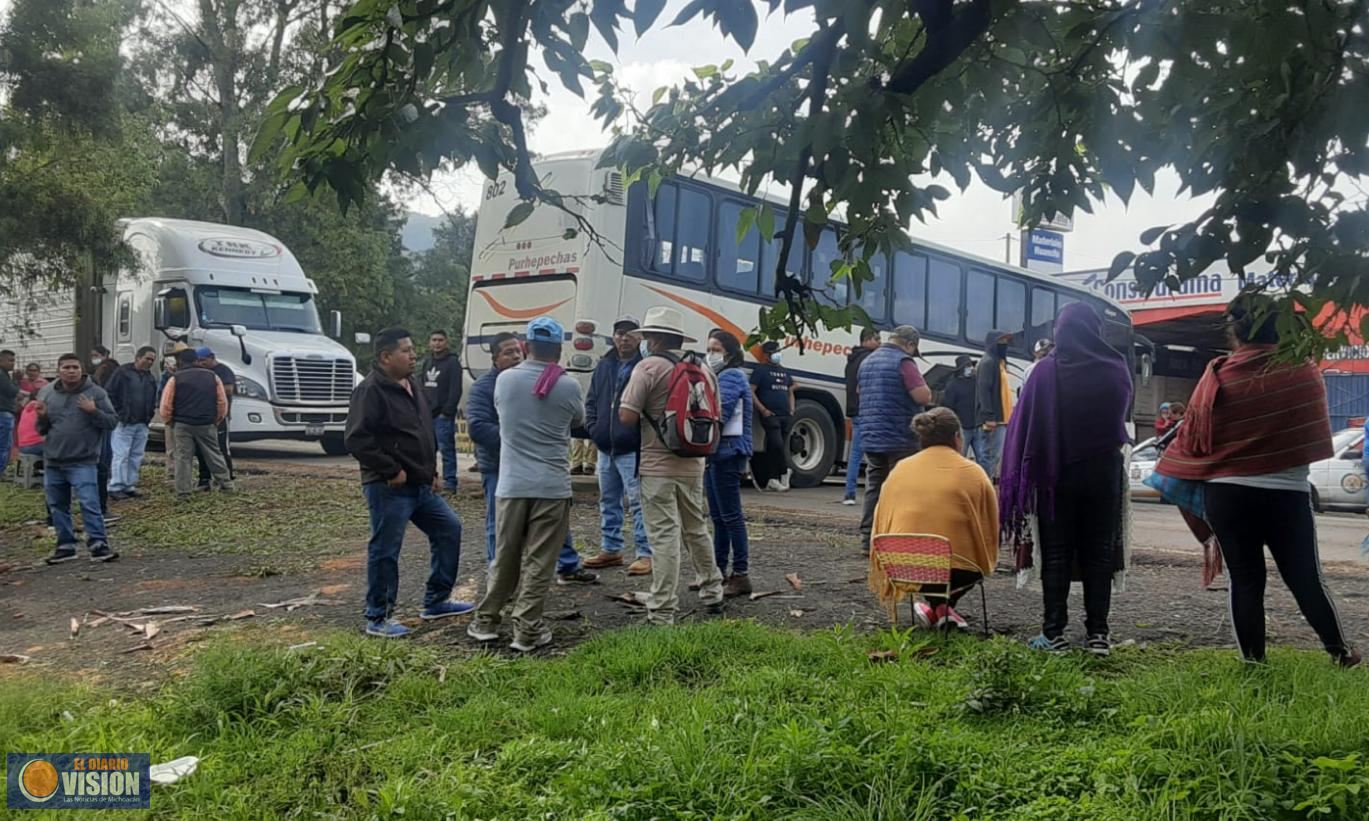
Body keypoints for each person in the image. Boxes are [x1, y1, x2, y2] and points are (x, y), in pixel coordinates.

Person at [1153, 297, 1359, 668]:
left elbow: (1196, 440)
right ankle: (1340, 652)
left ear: (1235, 330)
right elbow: (1307, 433)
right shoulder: (1302, 371)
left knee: (1245, 582)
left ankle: (1253, 664)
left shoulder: (1217, 375)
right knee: (1305, 578)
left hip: (1226, 495)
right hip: (1286, 495)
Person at [1000, 303, 1132, 656]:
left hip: (1056, 473)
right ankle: (1098, 636)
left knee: (1056, 553)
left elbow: (1025, 423)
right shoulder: (1117, 369)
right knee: (1099, 554)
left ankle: (1053, 633)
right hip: (1104, 472)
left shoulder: (1045, 372)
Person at [467, 317, 587, 652]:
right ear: (559, 349)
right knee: (539, 562)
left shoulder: (504, 381)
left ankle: (486, 621)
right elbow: (578, 421)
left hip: (511, 485)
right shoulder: (569, 385)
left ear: (525, 347)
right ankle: (527, 630)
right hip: (551, 487)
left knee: (505, 557)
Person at [344, 328, 472, 639]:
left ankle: (436, 601)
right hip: (390, 486)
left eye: (413, 349)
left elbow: (422, 431)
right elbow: (357, 438)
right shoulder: (371, 390)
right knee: (386, 548)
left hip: (420, 484)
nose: (413, 355)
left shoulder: (411, 385)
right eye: (405, 351)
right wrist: (390, 469)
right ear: (385, 357)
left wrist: (432, 471)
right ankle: (378, 616)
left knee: (449, 528)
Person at [618, 306, 725, 624]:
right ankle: (713, 592)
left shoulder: (647, 367)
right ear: (678, 338)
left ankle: (663, 608)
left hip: (657, 465)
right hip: (694, 464)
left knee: (664, 535)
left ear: (651, 338)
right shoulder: (703, 369)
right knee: (696, 529)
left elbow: (626, 416)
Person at [870, 407, 998, 629]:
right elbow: (990, 527)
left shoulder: (901, 469)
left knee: (932, 561)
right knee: (962, 561)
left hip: (904, 567)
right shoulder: (973, 472)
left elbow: (881, 518)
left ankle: (937, 609)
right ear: (957, 438)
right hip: (960, 571)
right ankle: (942, 608)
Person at [582, 315, 653, 575]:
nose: (625, 338)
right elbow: (591, 400)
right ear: (614, 337)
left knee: (637, 501)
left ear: (640, 338)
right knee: (608, 500)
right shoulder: (604, 365)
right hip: (604, 446)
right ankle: (611, 549)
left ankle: (645, 553)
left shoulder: (644, 367)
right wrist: (594, 428)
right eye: (620, 333)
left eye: (630, 333)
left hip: (631, 447)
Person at [36, 353, 119, 564]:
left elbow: (112, 422)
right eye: (66, 367)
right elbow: (41, 429)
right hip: (54, 460)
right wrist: (42, 417)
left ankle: (98, 544)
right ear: (58, 371)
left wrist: (93, 412)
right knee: (57, 506)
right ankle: (65, 546)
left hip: (83, 460)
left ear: (82, 370)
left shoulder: (96, 393)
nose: (71, 371)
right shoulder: (47, 394)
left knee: (90, 503)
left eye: (75, 367)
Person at [856, 324, 932, 551]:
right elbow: (922, 395)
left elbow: (861, 392)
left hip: (871, 435)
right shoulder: (904, 362)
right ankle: (898, 539)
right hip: (899, 436)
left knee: (874, 487)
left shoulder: (867, 361)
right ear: (910, 344)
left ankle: (867, 538)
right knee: (902, 488)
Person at [706, 330, 754, 597]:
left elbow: (719, 413)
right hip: (718, 452)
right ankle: (719, 570)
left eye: (715, 349)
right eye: (709, 349)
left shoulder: (731, 376)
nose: (710, 354)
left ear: (730, 353)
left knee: (730, 517)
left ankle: (740, 573)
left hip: (727, 451)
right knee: (720, 517)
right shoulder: (722, 376)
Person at [160, 349, 234, 499]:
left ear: (180, 361)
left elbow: (166, 403)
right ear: (196, 360)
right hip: (206, 422)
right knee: (214, 454)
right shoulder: (213, 377)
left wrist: (169, 420)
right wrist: (217, 419)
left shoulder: (175, 378)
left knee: (183, 457)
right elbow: (222, 401)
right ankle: (226, 484)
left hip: (182, 423)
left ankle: (183, 491)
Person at [104, 346, 159, 500]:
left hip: (142, 421)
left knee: (136, 455)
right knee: (121, 454)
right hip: (125, 421)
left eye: (152, 360)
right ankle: (116, 485)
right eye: (147, 358)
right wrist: (119, 413)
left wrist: (149, 415)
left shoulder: (149, 377)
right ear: (138, 357)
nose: (149, 362)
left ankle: (129, 484)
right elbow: (109, 393)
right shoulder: (122, 373)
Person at [419, 330, 462, 491]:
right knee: (428, 450)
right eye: (434, 340)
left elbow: (455, 390)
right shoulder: (427, 362)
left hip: (443, 416)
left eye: (440, 340)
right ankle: (430, 479)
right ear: (429, 342)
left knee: (447, 450)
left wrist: (447, 411)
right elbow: (422, 385)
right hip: (427, 414)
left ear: (446, 342)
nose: (437, 343)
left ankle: (450, 482)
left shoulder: (453, 363)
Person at [750, 341, 796, 491]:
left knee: (774, 447)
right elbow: (751, 391)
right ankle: (785, 470)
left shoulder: (784, 371)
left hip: (785, 415)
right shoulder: (761, 370)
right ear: (767, 355)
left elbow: (791, 389)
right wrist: (763, 410)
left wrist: (792, 409)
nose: (777, 354)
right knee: (777, 444)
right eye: (774, 352)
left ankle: (772, 479)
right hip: (770, 414)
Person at [842, 328, 880, 505]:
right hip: (867, 409)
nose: (879, 342)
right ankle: (875, 495)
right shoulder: (869, 359)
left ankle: (849, 493)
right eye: (876, 338)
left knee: (855, 454)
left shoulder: (852, 360)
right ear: (867, 340)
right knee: (875, 453)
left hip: (853, 409)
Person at [973, 329, 1014, 478]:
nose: (1005, 345)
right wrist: (989, 416)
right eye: (1001, 342)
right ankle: (984, 489)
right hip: (993, 420)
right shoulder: (988, 362)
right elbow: (984, 390)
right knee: (988, 456)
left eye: (1006, 342)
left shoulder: (999, 363)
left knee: (994, 457)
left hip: (1001, 419)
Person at [194, 347, 235, 491]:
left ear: (212, 357)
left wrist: (210, 387)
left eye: (203, 360)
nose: (201, 363)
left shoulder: (223, 370)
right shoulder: (199, 372)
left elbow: (229, 389)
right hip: (204, 417)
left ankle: (227, 476)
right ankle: (204, 479)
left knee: (222, 448)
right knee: (201, 449)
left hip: (220, 416)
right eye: (198, 361)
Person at [941, 355, 980, 460]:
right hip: (962, 428)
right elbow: (948, 407)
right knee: (959, 458)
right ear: (961, 369)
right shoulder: (952, 385)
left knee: (984, 458)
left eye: (970, 365)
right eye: (967, 366)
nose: (970, 368)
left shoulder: (977, 381)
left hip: (977, 426)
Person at [0, 349, 16, 479]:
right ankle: (1, 471)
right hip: (4, 412)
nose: (13, 363)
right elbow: (12, 391)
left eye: (14, 360)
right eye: (10, 360)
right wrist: (16, 380)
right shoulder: (1, 374)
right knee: (4, 444)